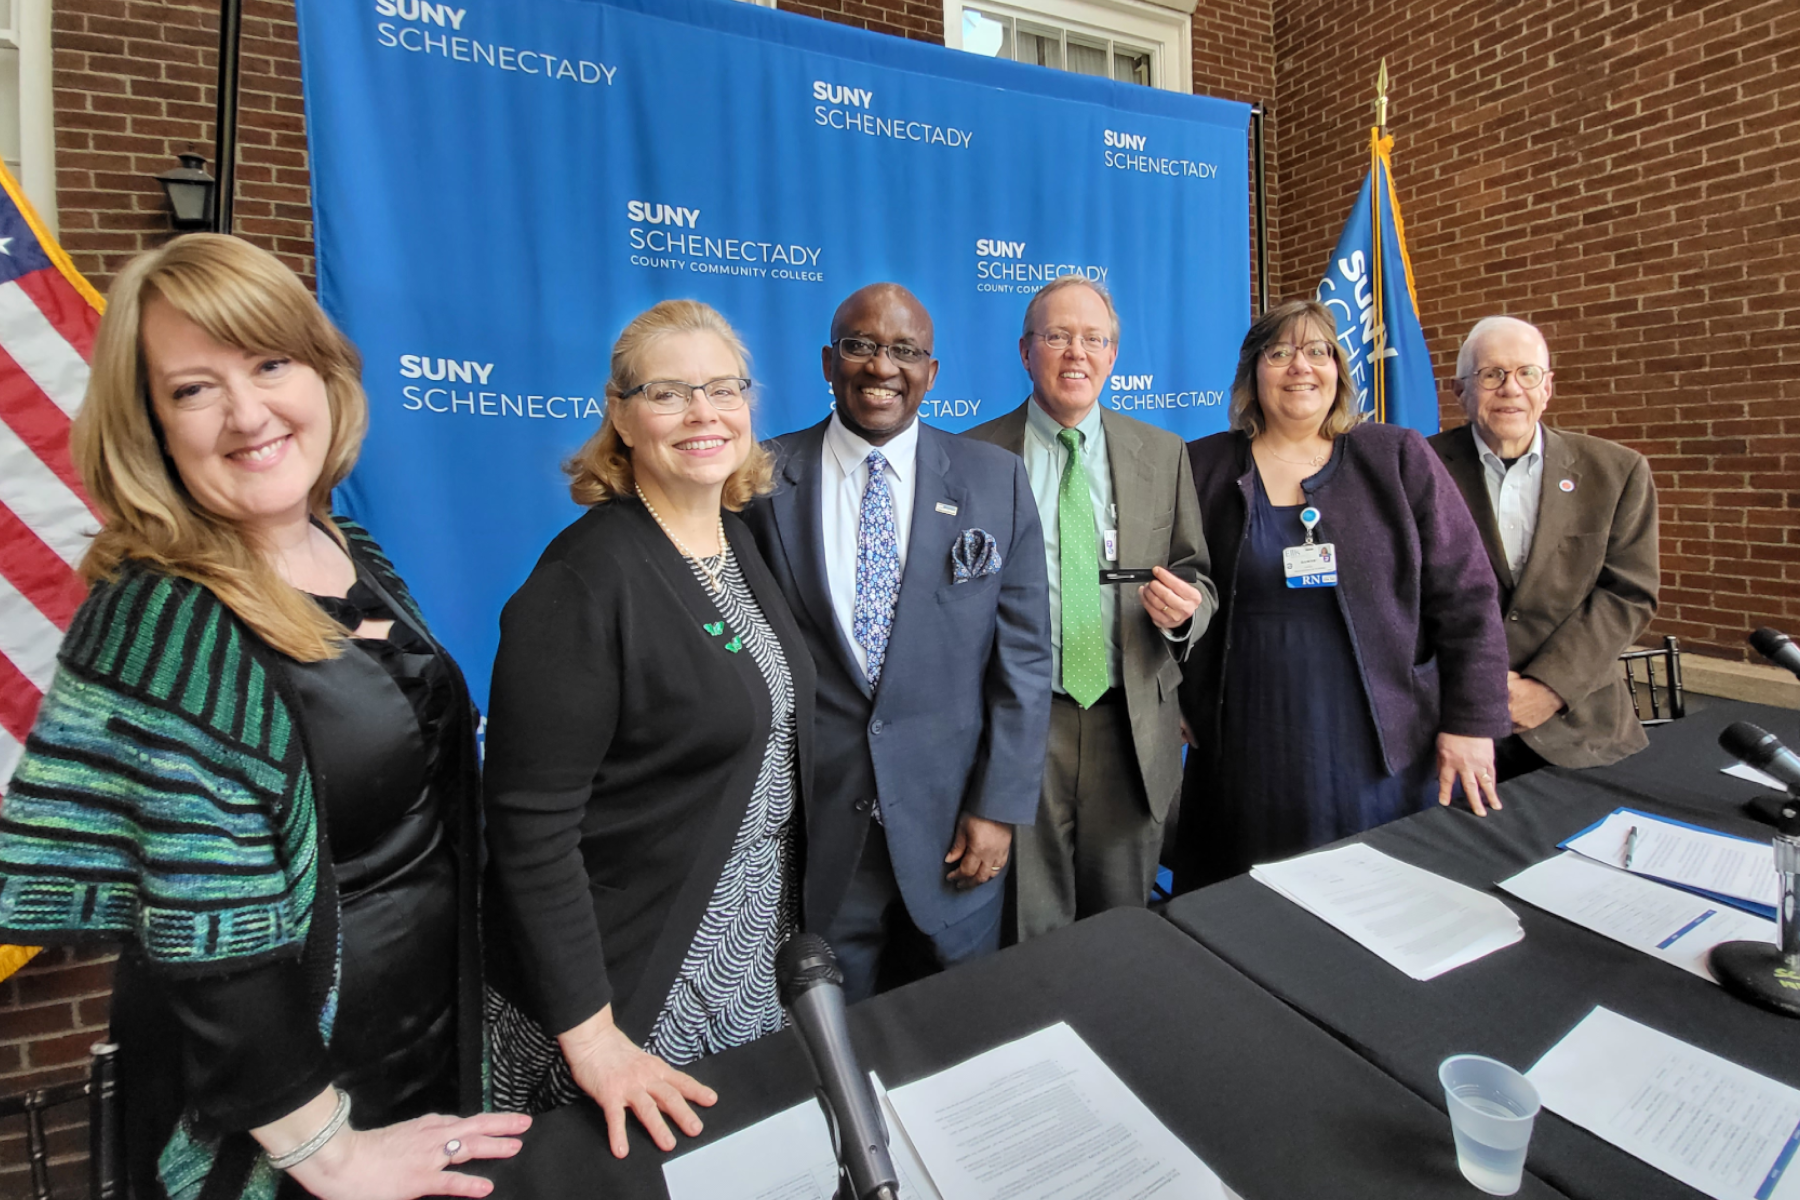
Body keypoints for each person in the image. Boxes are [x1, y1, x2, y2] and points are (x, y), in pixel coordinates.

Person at [0, 234, 528, 1200]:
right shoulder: (164, 617)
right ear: (151, 426)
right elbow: (214, 944)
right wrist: (327, 1152)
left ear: (322, 372)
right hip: (286, 1122)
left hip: (420, 1051)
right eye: (194, 390)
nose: (247, 413)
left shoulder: (339, 543)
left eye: (270, 363)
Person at [481, 300, 815, 1159]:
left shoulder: (735, 542)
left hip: (741, 958)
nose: (704, 413)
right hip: (629, 994)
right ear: (622, 417)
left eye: (723, 388)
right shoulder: (583, 581)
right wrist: (592, 1040)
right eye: (668, 393)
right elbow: (528, 833)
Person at [741, 283, 1050, 1001]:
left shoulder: (994, 479)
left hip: (956, 837)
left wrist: (999, 806)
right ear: (828, 360)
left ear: (931, 373)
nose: (882, 366)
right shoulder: (757, 482)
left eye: (904, 350)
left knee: (959, 1042)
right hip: (815, 842)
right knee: (835, 1058)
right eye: (861, 345)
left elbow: (1025, 661)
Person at [1174, 299, 1511, 891]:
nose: (1299, 367)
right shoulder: (1201, 465)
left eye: (1317, 351)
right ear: (1254, 372)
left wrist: (1472, 722)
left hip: (1376, 744)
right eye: (1279, 353)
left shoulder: (1397, 456)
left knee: (1377, 901)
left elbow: (1468, 597)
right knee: (1248, 906)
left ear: (1338, 371)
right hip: (1247, 743)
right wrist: (1171, 694)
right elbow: (1174, 589)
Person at [965, 276, 1216, 940]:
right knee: (1028, 922)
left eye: (1093, 339)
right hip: (1022, 725)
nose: (1076, 352)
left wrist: (1187, 612)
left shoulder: (1161, 454)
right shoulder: (972, 457)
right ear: (1026, 351)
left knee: (1123, 927)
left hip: (1129, 724)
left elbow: (1198, 575)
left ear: (1112, 355)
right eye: (1057, 336)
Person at [1431, 316, 1660, 779]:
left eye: (1526, 373)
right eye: (1491, 374)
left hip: (1577, 727)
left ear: (1547, 387)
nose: (1510, 389)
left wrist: (1550, 687)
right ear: (1460, 391)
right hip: (1449, 727)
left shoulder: (1617, 472)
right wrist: (1473, 694)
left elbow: (1627, 594)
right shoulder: (1419, 469)